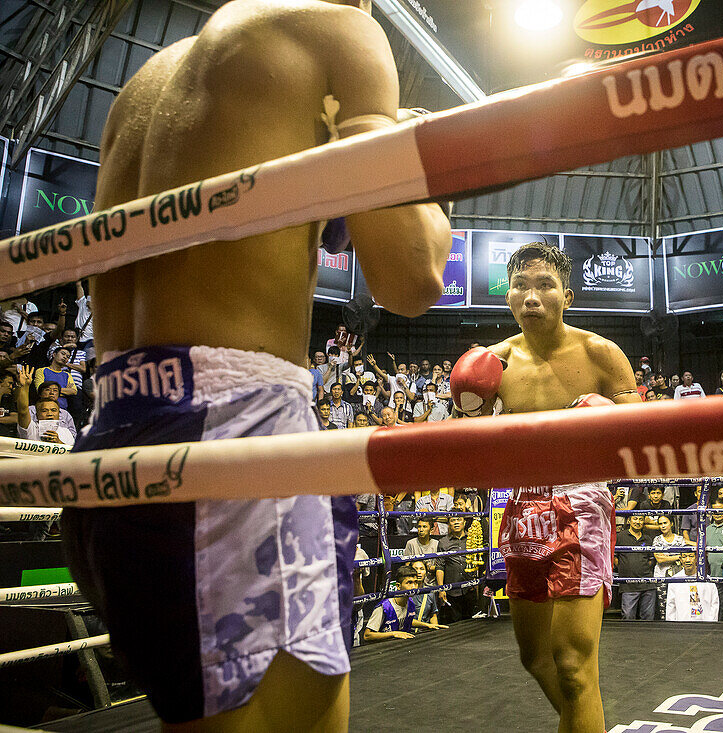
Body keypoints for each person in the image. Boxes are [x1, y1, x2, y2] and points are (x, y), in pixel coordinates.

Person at [59, 0, 452, 727]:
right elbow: (411, 277)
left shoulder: (144, 86)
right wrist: (406, 147)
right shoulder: (337, 30)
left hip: (113, 438)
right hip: (235, 443)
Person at [472, 242, 641, 732]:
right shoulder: (493, 363)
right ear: (508, 298)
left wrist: (604, 420)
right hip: (521, 505)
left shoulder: (600, 353)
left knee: (571, 663)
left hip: (581, 500)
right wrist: (470, 407)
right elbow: (478, 449)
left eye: (544, 284)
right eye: (521, 285)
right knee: (537, 659)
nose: (531, 295)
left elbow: (639, 434)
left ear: (566, 295)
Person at [362, 566, 445, 642]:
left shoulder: (410, 602)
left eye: (415, 582)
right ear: (398, 586)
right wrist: (393, 634)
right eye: (409, 583)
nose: (414, 587)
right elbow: (367, 635)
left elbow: (406, 620)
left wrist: (427, 625)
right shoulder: (384, 607)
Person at [614, 514, 656, 621]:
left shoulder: (647, 538)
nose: (638, 522)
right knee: (628, 617)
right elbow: (615, 558)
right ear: (629, 521)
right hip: (628, 584)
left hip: (647, 583)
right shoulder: (620, 536)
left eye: (641, 519)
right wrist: (625, 569)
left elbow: (651, 560)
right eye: (635, 519)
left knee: (648, 619)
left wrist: (643, 569)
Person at [664, 551, 719, 622]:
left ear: (696, 558)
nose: (687, 560)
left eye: (691, 556)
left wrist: (711, 624)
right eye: (684, 557)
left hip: (705, 626)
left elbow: (714, 605)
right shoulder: (674, 581)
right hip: (681, 625)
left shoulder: (708, 581)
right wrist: (672, 626)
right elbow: (671, 606)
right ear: (680, 559)